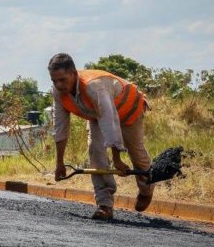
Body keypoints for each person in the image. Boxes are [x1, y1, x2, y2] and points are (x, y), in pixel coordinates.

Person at [48, 53, 153, 220]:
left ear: (74, 74)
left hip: (129, 111)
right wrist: (59, 163)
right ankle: (104, 205)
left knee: (137, 155)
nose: (58, 85)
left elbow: (110, 121)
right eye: (54, 80)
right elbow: (60, 127)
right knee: (95, 152)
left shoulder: (94, 86)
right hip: (96, 115)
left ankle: (146, 189)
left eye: (62, 80)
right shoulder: (58, 92)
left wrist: (117, 159)